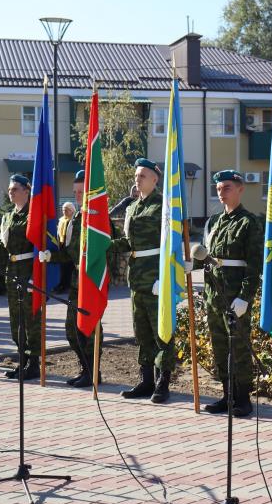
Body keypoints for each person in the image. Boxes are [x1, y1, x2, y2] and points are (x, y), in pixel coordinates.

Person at [196, 169, 263, 417]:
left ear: (240, 189)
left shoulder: (249, 222)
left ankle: (243, 398)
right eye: (218, 189)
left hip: (235, 296)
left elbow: (254, 265)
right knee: (220, 347)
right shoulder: (213, 222)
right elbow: (209, 258)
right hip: (215, 295)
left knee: (239, 348)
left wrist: (245, 297)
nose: (221, 193)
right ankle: (227, 395)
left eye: (227, 188)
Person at [110, 158, 173, 402]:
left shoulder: (163, 206)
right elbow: (128, 243)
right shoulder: (133, 207)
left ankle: (162, 382)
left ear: (155, 179)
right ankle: (146, 380)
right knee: (142, 332)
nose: (138, 179)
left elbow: (171, 245)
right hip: (137, 278)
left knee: (161, 332)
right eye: (136, 175)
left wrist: (164, 277)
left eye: (143, 176)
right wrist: (105, 245)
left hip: (155, 279)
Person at [39, 170, 103, 387]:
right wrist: (50, 255)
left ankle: (93, 371)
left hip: (92, 280)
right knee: (72, 328)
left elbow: (107, 246)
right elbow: (68, 253)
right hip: (77, 281)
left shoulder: (96, 216)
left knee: (90, 327)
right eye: (74, 192)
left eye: (80, 191)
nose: (76, 196)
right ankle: (85, 367)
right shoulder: (75, 218)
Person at [0, 174, 41, 380]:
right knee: (16, 323)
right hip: (12, 273)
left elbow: (41, 246)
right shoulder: (9, 216)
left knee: (30, 321)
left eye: (15, 189)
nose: (10, 192)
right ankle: (23, 361)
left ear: (26, 191)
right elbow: (4, 246)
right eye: (9, 189)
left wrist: (36, 276)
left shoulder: (33, 215)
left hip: (28, 272)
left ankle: (34, 363)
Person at [55, 202, 76, 294]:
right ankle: (62, 284)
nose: (64, 212)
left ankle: (68, 285)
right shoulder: (61, 220)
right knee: (63, 267)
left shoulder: (75, 221)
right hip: (62, 246)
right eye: (63, 210)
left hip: (71, 247)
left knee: (69, 267)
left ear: (72, 211)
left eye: (66, 210)